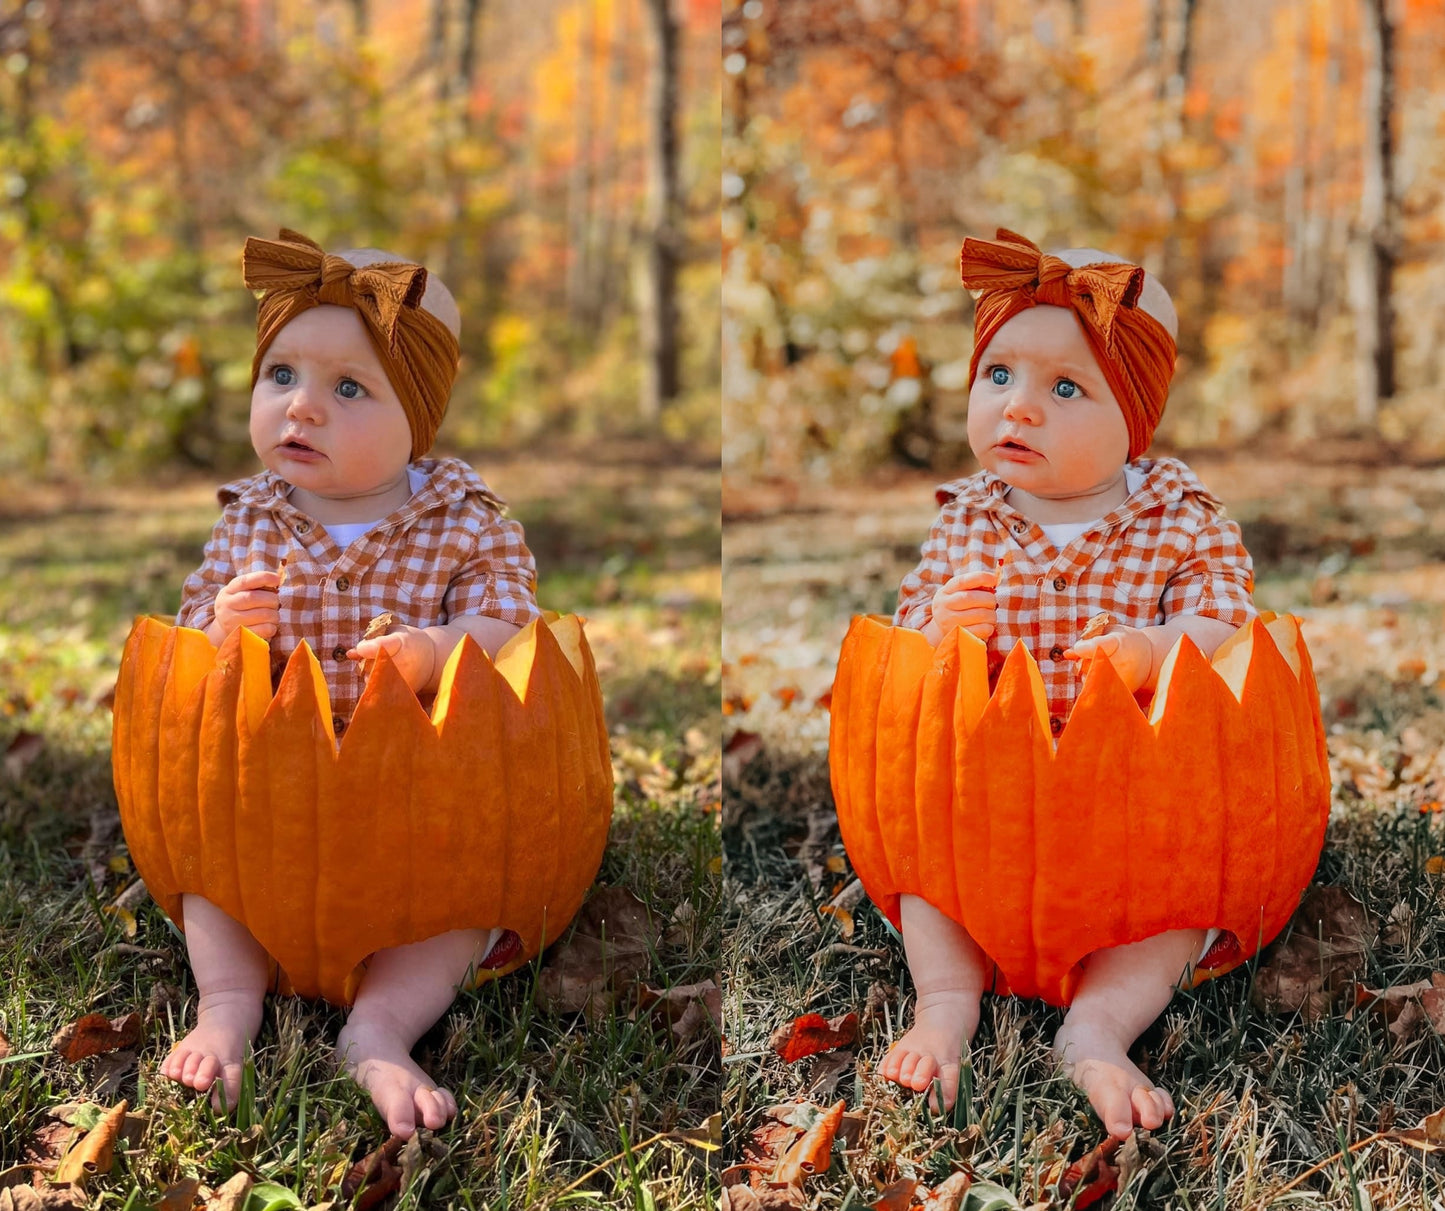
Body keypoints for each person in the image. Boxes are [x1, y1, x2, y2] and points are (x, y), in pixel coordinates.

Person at [158, 229, 541, 1138]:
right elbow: (178, 658)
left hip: (417, 792)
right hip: (266, 794)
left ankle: (379, 1027)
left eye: (348, 387)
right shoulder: (247, 519)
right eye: (281, 374)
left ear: (418, 413)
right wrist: (221, 629)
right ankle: (226, 1002)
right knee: (208, 877)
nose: (303, 409)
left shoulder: (461, 521)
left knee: (458, 906)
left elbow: (515, 626)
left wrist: (439, 648)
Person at [879, 229, 1256, 1138]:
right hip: (985, 800)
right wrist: (937, 631)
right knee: (926, 877)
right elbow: (899, 652)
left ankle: (1097, 1027)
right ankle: (943, 1001)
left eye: (1064, 388)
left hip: (1133, 799)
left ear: (1134, 413)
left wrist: (1158, 647)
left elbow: (1232, 618)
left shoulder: (1174, 516)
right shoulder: (964, 518)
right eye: (998, 374)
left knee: (1176, 905)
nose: (1019, 409)